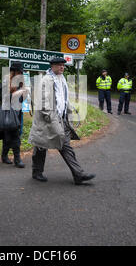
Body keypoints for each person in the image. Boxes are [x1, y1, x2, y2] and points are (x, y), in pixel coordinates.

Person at [28, 57, 96, 185]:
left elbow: (63, 98)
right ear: (52, 66)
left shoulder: (62, 79)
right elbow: (44, 103)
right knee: (41, 146)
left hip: (61, 118)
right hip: (47, 120)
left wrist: (70, 110)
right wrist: (51, 120)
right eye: (59, 65)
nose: (62, 67)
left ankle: (78, 174)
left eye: (63, 65)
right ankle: (37, 172)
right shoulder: (46, 80)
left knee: (65, 146)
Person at [0, 61, 28, 168]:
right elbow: (6, 97)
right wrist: (21, 92)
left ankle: (9, 157)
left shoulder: (20, 82)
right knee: (10, 136)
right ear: (15, 71)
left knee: (13, 135)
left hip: (17, 112)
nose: (21, 74)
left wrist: (24, 93)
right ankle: (13, 158)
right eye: (20, 72)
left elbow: (22, 98)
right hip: (8, 111)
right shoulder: (6, 81)